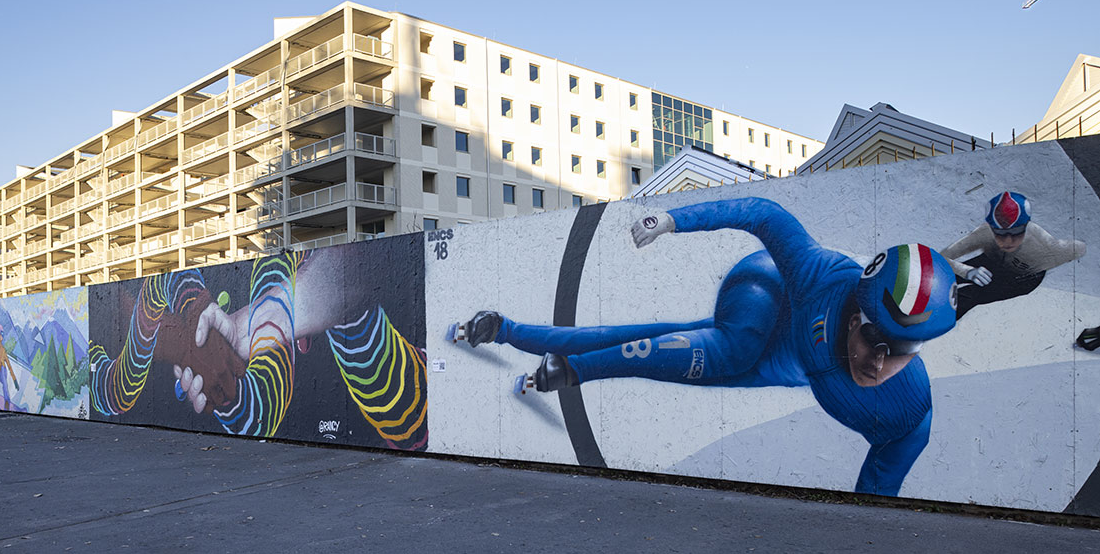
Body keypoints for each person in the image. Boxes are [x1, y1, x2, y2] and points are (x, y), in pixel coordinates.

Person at [453, 197, 958, 496]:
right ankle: (570, 370)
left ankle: (506, 330)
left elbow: (874, 509)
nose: (878, 363)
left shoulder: (908, 415)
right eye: (872, 338)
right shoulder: (820, 276)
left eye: (901, 351)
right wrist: (671, 220)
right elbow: (763, 214)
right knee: (726, 351)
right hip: (762, 291)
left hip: (779, 362)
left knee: (642, 339)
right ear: (855, 313)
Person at [941, 191, 1086, 320]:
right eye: (1000, 234)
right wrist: (965, 271)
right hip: (994, 261)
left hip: (1020, 280)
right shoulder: (984, 233)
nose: (1008, 241)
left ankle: (938, 321)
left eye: (1016, 232)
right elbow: (941, 258)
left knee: (969, 295)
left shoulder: (1045, 244)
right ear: (992, 228)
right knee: (944, 275)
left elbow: (1079, 248)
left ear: (1026, 227)